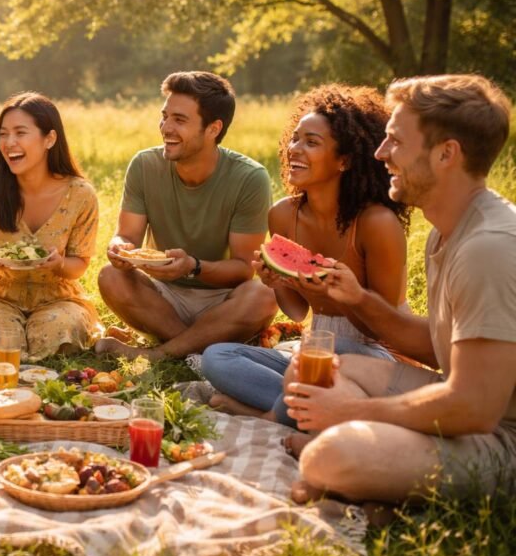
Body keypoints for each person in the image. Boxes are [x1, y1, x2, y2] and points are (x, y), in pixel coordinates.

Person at [283, 74, 516, 505]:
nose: (380, 153)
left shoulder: (490, 247)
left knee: (329, 457)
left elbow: (475, 408)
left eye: (395, 142)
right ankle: (374, 469)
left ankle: (353, 465)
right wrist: (357, 299)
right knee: (314, 368)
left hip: (501, 437)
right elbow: (439, 345)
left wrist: (352, 413)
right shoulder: (448, 231)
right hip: (468, 409)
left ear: (447, 154)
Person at [200, 85, 410, 423]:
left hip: (377, 357)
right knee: (217, 357)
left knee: (329, 353)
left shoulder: (376, 223)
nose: (294, 149)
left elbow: (384, 327)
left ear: (344, 160)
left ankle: (271, 414)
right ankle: (303, 410)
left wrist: (335, 294)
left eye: (311, 143)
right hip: (310, 356)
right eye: (295, 139)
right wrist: (277, 280)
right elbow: (297, 311)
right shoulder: (283, 215)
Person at [94, 71, 277, 361]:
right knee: (110, 276)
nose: (166, 127)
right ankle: (198, 347)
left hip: (221, 298)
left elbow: (243, 269)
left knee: (264, 296)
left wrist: (192, 267)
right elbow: (127, 235)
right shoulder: (145, 165)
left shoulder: (250, 178)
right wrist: (119, 246)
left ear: (213, 128)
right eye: (164, 116)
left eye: (179, 120)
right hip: (163, 296)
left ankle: (159, 354)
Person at [0, 92, 100, 361]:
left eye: (20, 133)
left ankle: (33, 355)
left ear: (49, 139)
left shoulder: (81, 194)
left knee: (58, 331)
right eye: (3, 134)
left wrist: (58, 264)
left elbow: (79, 264)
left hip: (57, 297)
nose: (9, 143)